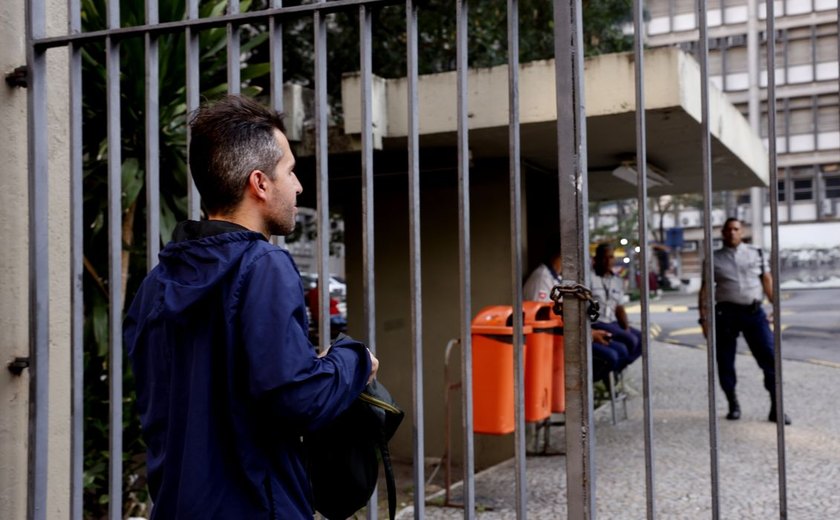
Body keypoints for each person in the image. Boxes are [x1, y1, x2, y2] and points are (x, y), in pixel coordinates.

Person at [123, 95, 379, 519]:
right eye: (291, 171)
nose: (297, 186)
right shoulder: (263, 265)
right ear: (259, 183)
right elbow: (299, 398)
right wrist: (354, 360)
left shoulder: (156, 285)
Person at [698, 217, 790, 425]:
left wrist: (775, 306)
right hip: (725, 314)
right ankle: (733, 404)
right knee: (724, 361)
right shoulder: (713, 259)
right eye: (728, 229)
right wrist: (703, 319)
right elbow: (705, 290)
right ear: (722, 233)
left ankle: (776, 407)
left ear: (742, 231)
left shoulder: (756, 252)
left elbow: (766, 280)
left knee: (770, 358)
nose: (732, 233)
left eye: (736, 229)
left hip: (754, 313)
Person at [523, 243, 630, 381]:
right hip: (554, 341)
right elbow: (544, 319)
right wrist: (589, 334)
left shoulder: (558, 278)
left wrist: (590, 332)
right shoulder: (542, 278)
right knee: (611, 356)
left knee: (621, 349)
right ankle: (583, 388)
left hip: (568, 335)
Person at [590, 243, 643, 366]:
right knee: (630, 341)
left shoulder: (617, 281)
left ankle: (619, 368)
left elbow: (619, 308)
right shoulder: (589, 278)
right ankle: (614, 369)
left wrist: (626, 328)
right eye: (605, 257)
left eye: (611, 257)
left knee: (642, 339)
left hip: (612, 322)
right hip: (597, 322)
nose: (608, 260)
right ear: (596, 259)